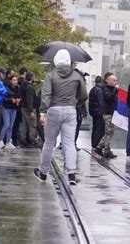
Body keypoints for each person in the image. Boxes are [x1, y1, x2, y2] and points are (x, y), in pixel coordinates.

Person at [34, 49, 87, 185]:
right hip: (70, 111)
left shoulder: (50, 76)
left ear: (56, 61)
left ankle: (43, 172)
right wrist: (76, 103)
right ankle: (71, 174)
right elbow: (84, 95)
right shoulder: (77, 76)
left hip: (53, 110)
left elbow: (46, 95)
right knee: (69, 143)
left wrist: (42, 112)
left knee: (49, 142)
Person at [94, 72, 119, 159]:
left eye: (116, 80)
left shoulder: (111, 89)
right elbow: (108, 98)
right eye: (114, 80)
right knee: (109, 132)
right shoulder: (106, 89)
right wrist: (115, 91)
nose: (116, 82)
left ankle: (99, 147)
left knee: (110, 132)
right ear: (108, 81)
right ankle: (106, 150)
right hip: (107, 113)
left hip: (112, 113)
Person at [0, 75, 20, 149]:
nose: (15, 82)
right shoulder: (6, 88)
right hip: (6, 107)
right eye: (14, 80)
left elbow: (19, 97)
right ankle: (1, 140)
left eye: (16, 80)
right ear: (11, 81)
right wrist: (11, 100)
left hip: (14, 108)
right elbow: (4, 98)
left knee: (11, 126)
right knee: (6, 124)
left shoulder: (18, 89)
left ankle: (8, 141)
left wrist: (18, 100)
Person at [20, 72, 39, 148]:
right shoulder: (30, 88)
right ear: (31, 78)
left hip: (23, 107)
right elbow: (30, 100)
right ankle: (32, 140)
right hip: (29, 108)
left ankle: (23, 140)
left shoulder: (23, 86)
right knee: (32, 125)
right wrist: (31, 111)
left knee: (24, 125)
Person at [88, 76, 105, 149]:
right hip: (99, 112)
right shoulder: (100, 90)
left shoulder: (93, 89)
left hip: (93, 112)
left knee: (95, 128)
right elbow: (101, 102)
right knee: (99, 128)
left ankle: (93, 144)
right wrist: (103, 111)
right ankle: (97, 144)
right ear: (101, 82)